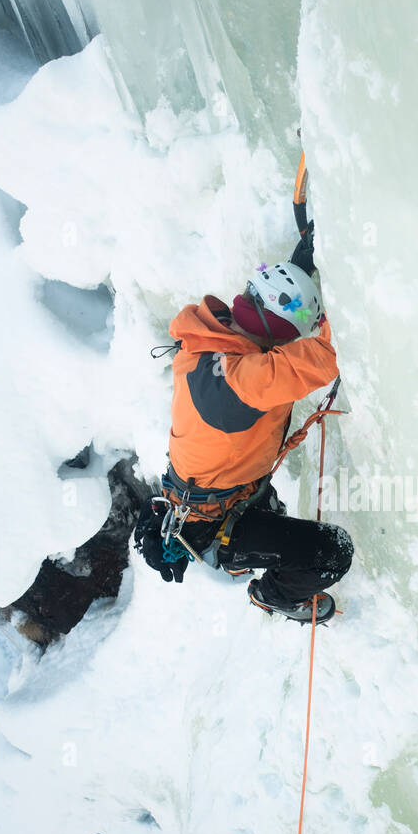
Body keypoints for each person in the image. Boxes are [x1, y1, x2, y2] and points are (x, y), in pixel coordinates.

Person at [134, 221, 352, 624]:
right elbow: (327, 357)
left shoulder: (212, 340)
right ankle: (274, 595)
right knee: (332, 552)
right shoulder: (236, 383)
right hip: (213, 521)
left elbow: (265, 323)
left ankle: (248, 551)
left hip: (219, 495)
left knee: (270, 511)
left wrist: (297, 273)